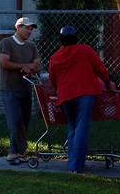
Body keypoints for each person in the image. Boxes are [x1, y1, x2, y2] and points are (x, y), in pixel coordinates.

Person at [47, 25, 111, 173]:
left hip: (65, 96)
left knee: (73, 128)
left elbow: (52, 80)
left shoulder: (55, 57)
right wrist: (108, 85)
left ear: (61, 40)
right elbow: (101, 69)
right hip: (85, 94)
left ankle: (73, 163)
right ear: (76, 38)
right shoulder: (85, 50)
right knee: (82, 128)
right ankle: (76, 166)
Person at [0, 17, 41, 164]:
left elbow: (37, 66)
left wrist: (30, 67)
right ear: (18, 27)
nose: (29, 31)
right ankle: (16, 152)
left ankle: (16, 153)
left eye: (31, 29)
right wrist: (26, 66)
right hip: (10, 89)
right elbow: (5, 63)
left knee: (23, 122)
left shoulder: (31, 47)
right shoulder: (6, 43)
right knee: (15, 121)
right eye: (26, 28)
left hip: (26, 89)